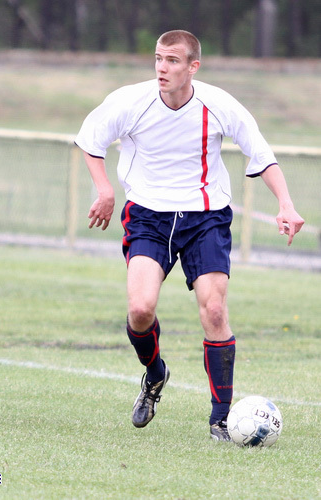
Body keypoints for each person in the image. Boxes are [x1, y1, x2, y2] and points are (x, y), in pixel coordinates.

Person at [74, 30, 304, 441]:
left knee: (214, 311)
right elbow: (91, 142)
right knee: (141, 310)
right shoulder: (130, 101)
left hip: (206, 218)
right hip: (148, 216)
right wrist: (105, 189)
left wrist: (285, 204)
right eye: (159, 59)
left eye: (173, 61)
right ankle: (155, 373)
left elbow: (261, 153)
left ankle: (220, 420)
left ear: (193, 66)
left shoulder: (218, 104)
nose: (162, 67)